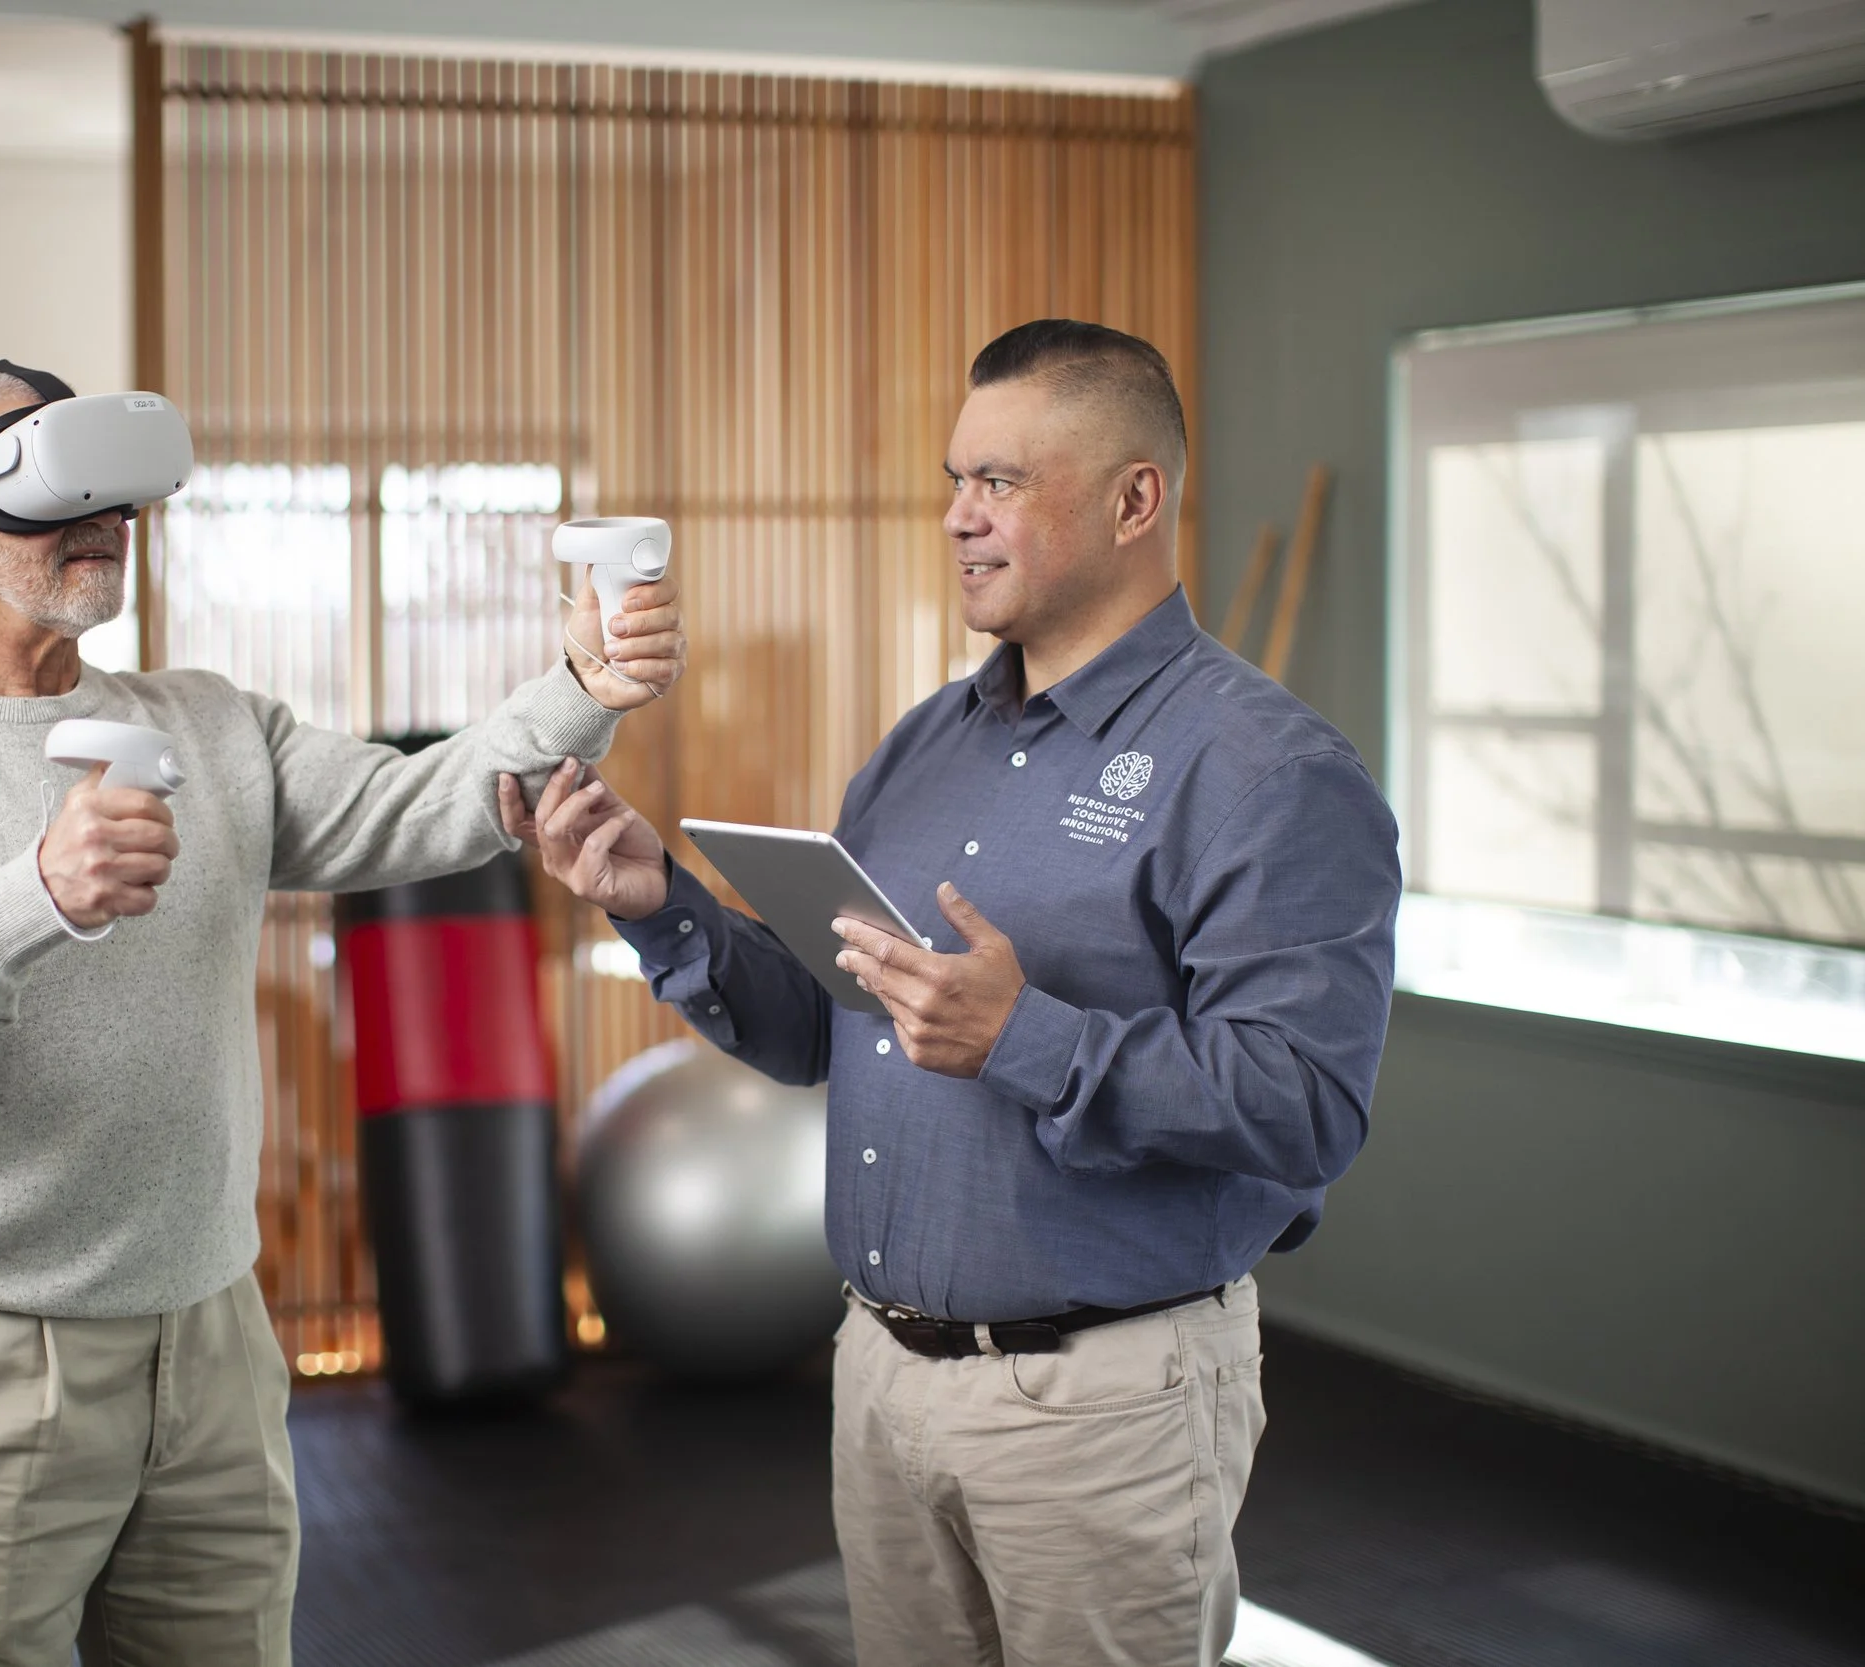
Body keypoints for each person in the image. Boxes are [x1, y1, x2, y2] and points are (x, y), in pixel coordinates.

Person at [0, 362, 684, 1667]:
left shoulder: (206, 723)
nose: (100, 523)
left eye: (112, 499)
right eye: (52, 496)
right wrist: (36, 895)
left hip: (209, 1329)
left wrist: (581, 679)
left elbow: (421, 804)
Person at [502, 319, 1399, 1667]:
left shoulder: (1270, 772)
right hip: (881, 1378)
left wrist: (1026, 1038)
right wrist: (662, 904)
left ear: (1134, 501)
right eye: (955, 480)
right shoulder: (926, 741)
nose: (957, 517)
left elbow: (1306, 1106)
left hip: (1104, 1402)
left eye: (1001, 482)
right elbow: (830, 1027)